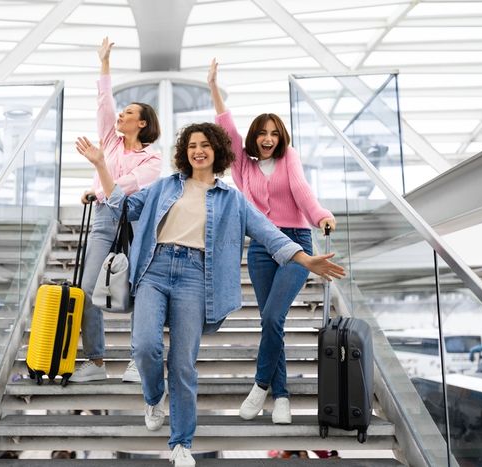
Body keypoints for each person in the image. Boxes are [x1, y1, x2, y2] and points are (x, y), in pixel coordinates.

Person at [76, 122, 345, 466]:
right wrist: (101, 164)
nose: (198, 150)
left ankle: (181, 443)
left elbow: (268, 233)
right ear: (184, 153)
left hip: (194, 276)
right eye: (191, 145)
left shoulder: (232, 199)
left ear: (217, 150)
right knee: (145, 347)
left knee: (183, 363)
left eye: (204, 144)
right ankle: (154, 396)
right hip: (153, 270)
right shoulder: (165, 186)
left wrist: (305, 258)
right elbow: (123, 207)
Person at [208, 58, 337, 424]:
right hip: (262, 248)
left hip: (296, 243)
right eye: (262, 134)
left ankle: (260, 384)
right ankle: (282, 396)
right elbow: (227, 129)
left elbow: (302, 192)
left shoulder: (289, 158)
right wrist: (214, 87)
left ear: (281, 138)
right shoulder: (243, 166)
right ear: (254, 138)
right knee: (271, 322)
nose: (268, 139)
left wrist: (321, 216)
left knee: (272, 315)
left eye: (274, 134)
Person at [70, 37, 162, 384]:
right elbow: (104, 102)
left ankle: (140, 362)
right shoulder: (109, 141)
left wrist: (100, 173)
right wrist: (105, 63)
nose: (120, 116)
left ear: (142, 123)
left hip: (136, 223)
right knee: (86, 288)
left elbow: (122, 193)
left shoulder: (152, 159)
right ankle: (95, 361)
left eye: (128, 114)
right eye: (121, 114)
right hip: (104, 221)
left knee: (139, 291)